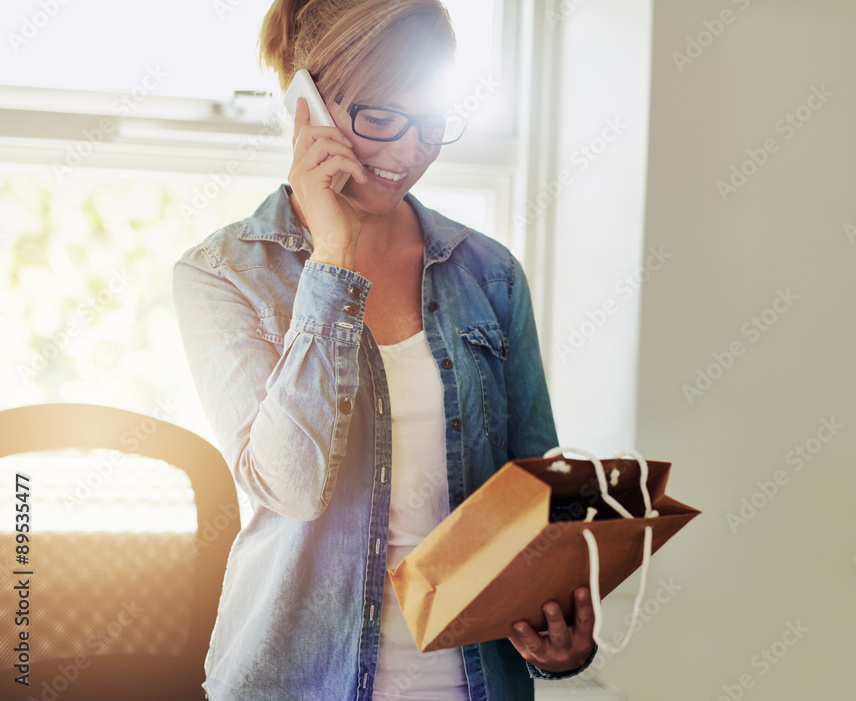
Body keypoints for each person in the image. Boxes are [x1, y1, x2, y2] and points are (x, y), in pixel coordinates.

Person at [171, 1, 598, 699]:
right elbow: (291, 487)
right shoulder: (222, 275)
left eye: (429, 123)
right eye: (379, 118)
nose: (408, 152)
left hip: (472, 680)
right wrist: (333, 262)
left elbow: (536, 488)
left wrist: (559, 633)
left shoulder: (489, 273)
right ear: (305, 105)